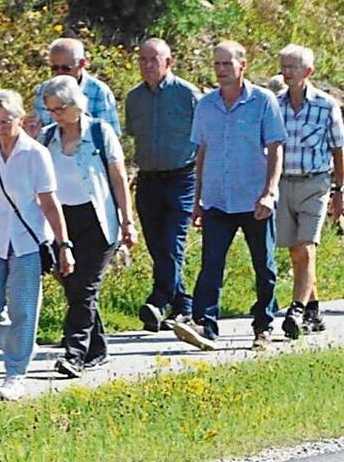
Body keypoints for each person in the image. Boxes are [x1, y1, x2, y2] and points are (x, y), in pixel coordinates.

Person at [166, 44, 285, 353]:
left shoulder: (263, 101)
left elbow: (275, 148)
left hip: (255, 197)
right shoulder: (205, 105)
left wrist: (270, 192)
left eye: (227, 63)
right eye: (217, 63)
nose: (221, 69)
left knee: (265, 266)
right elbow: (202, 152)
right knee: (211, 264)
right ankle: (205, 324)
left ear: (242, 65)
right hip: (218, 199)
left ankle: (263, 326)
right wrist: (197, 200)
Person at [0, 91, 72, 401]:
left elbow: (48, 202)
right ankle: (21, 345)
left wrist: (64, 245)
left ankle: (15, 373)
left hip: (27, 242)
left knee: (23, 308)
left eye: (5, 122)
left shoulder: (35, 154)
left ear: (19, 120)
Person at [37, 76, 135, 376]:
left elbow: (118, 179)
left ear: (76, 105)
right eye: (50, 109)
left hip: (97, 219)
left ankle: (75, 354)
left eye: (59, 109)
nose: (55, 115)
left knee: (84, 286)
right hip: (60, 222)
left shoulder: (99, 133)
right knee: (75, 286)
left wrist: (127, 220)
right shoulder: (46, 137)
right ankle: (97, 347)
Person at [121, 38, 202, 332]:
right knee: (158, 247)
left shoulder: (188, 94)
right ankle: (183, 307)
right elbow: (133, 137)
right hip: (149, 179)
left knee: (172, 243)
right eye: (142, 59)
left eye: (153, 59)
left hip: (182, 178)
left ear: (169, 62)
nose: (147, 65)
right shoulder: (134, 98)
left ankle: (158, 299)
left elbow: (206, 138)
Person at [275, 46, 343, 339]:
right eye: (284, 67)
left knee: (306, 246)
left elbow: (339, 149)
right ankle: (313, 309)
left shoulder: (326, 106)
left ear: (308, 72)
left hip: (315, 183)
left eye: (293, 67)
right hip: (282, 182)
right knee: (294, 250)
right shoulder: (274, 104)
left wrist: (340, 190)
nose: (287, 72)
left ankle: (297, 309)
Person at [29, 38, 121, 134]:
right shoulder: (43, 90)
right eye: (55, 68)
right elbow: (38, 131)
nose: (60, 73)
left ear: (81, 63)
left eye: (66, 68)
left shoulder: (99, 91)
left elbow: (111, 134)